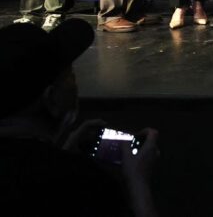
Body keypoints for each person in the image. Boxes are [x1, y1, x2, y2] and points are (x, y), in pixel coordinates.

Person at [0, 19, 159, 216]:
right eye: (70, 76)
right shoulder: (81, 185)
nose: (75, 85)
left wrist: (58, 151)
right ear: (51, 98)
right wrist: (138, 183)